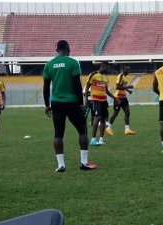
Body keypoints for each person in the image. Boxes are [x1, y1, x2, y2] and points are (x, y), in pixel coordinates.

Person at [42, 40, 96, 172]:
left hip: (56, 102)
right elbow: (77, 85)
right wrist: (81, 104)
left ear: (57, 49)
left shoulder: (49, 64)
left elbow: (46, 87)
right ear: (68, 49)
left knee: (58, 134)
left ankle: (61, 165)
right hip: (71, 101)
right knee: (82, 131)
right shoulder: (73, 62)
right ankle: (84, 163)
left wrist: (47, 104)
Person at [84, 62, 120, 146]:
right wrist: (86, 100)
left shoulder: (106, 78)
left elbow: (106, 91)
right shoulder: (93, 75)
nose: (108, 70)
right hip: (95, 100)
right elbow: (87, 88)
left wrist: (115, 98)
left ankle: (101, 139)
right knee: (97, 117)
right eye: (107, 68)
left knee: (103, 119)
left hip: (104, 100)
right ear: (103, 67)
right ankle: (93, 139)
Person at [106, 66, 136, 136]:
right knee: (115, 114)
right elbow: (117, 87)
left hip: (124, 97)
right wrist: (128, 87)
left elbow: (123, 86)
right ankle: (109, 128)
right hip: (118, 98)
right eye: (127, 69)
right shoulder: (121, 76)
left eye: (129, 69)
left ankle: (127, 129)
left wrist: (128, 91)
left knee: (127, 113)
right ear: (123, 70)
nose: (128, 71)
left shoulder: (126, 77)